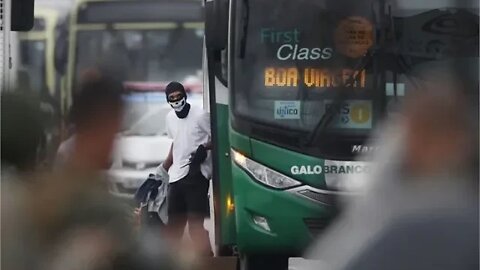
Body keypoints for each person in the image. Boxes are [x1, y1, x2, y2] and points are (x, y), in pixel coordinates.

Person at [161, 81, 213, 257]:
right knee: (174, 226)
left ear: (185, 95)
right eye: (172, 98)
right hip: (176, 177)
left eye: (178, 96)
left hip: (196, 174)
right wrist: (164, 167)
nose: (176, 100)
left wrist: (204, 149)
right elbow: (176, 143)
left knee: (195, 226)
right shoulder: (170, 118)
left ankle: (208, 261)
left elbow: (218, 138)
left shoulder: (200, 116)